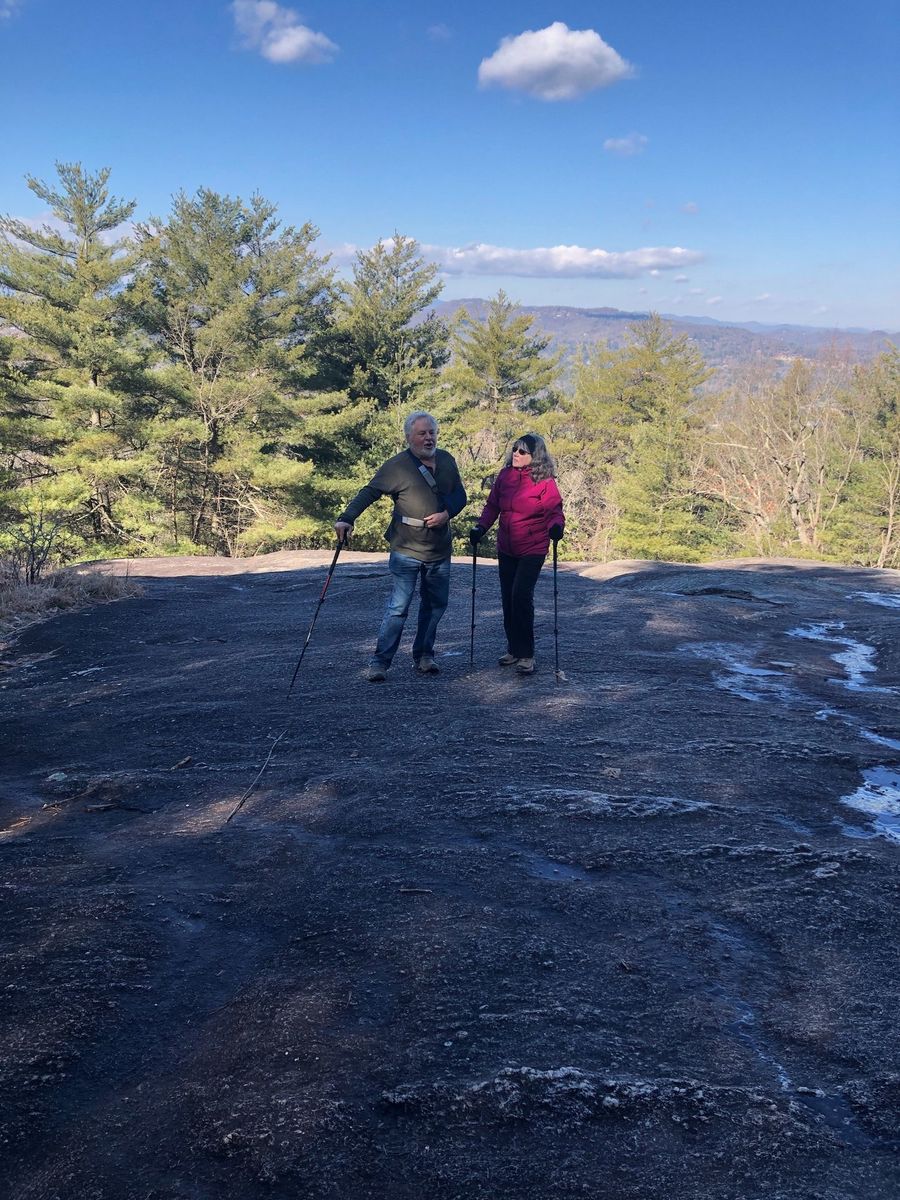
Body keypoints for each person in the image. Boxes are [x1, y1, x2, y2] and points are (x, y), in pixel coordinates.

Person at [335, 412, 466, 682]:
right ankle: (380, 662)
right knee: (398, 608)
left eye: (432, 432)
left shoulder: (447, 460)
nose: (428, 438)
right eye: (422, 433)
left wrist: (446, 514)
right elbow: (369, 492)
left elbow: (459, 495)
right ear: (409, 437)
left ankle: (424, 656)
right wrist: (347, 518)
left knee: (435, 606)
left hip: (439, 549)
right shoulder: (396, 466)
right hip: (406, 548)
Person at [470, 433, 564, 675]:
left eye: (522, 451)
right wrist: (481, 527)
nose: (516, 454)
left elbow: (554, 509)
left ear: (535, 456)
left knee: (521, 596)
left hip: (533, 547)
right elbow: (492, 506)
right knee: (508, 598)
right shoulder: (505, 476)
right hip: (507, 547)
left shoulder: (544, 481)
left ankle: (526, 654)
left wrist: (556, 527)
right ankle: (513, 648)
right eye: (514, 449)